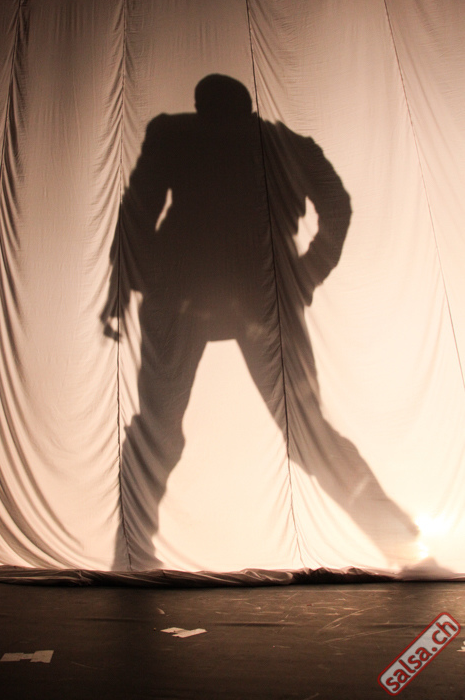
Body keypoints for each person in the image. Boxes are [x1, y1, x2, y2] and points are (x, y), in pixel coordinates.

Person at [103, 74, 417, 569]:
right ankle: (401, 543)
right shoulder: (281, 144)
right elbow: (336, 205)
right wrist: (305, 273)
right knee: (301, 431)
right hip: (240, 293)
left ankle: (131, 553)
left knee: (162, 428)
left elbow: (138, 210)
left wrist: (122, 287)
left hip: (200, 292)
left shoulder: (181, 134)